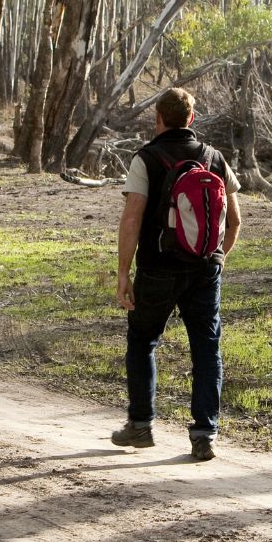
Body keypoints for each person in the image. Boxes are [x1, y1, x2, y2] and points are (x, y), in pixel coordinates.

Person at [112, 87, 241, 461]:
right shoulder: (215, 158)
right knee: (206, 349)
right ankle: (204, 436)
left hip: (157, 269)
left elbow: (131, 218)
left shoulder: (146, 159)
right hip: (205, 270)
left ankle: (140, 426)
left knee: (142, 340)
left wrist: (124, 273)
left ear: (158, 119)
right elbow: (234, 222)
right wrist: (217, 258)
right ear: (191, 119)